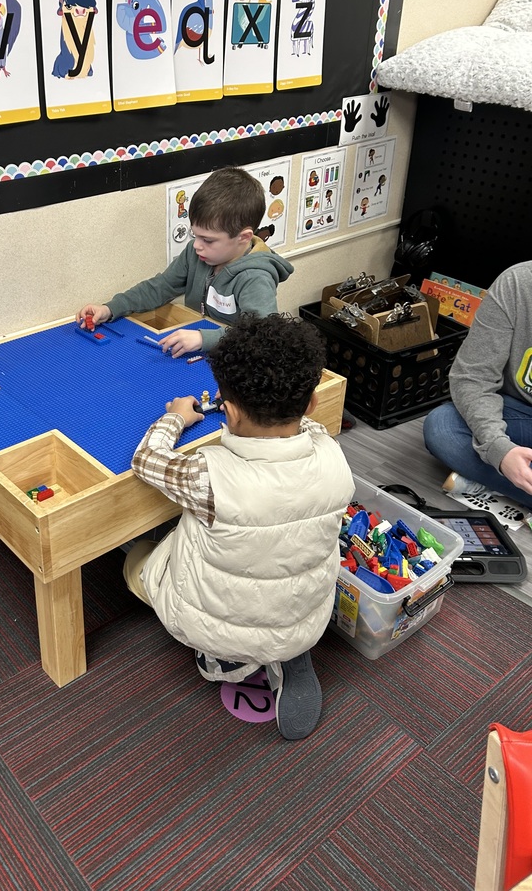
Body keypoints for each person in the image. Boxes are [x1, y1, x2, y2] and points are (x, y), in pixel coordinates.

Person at [123, 313, 355, 739]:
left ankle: (225, 659)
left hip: (216, 623)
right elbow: (307, 428)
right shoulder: (331, 453)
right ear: (310, 405)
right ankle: (290, 652)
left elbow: (146, 460)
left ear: (226, 411)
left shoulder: (206, 476)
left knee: (136, 559)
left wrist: (176, 417)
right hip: (307, 612)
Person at [75, 166, 293, 357]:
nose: (197, 245)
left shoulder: (255, 277)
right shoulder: (196, 253)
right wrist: (110, 308)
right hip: (197, 356)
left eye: (207, 240)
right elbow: (160, 287)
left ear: (244, 237)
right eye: (195, 235)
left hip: (234, 364)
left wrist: (203, 339)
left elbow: (259, 333)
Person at [423, 260, 532, 509]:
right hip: (519, 414)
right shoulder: (517, 283)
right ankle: (509, 471)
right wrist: (500, 450)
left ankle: (500, 478)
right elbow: (473, 377)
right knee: (443, 427)